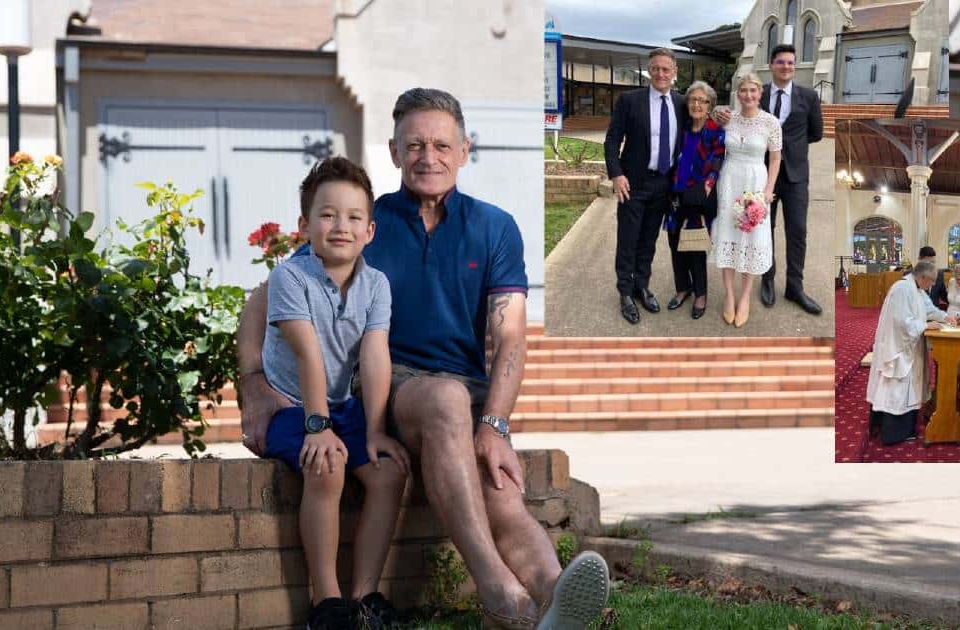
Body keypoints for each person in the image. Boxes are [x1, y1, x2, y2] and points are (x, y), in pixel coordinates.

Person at [238, 88, 610, 630]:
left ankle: (556, 602)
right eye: (414, 144)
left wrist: (495, 425)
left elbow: (510, 337)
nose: (427, 156)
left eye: (441, 144)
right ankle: (499, 593)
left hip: (467, 394)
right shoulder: (366, 223)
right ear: (393, 151)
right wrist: (255, 388)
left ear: (465, 150)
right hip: (392, 386)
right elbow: (267, 295)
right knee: (444, 398)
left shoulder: (494, 226)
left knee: (501, 495)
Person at [259, 157, 410, 629]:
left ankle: (365, 595)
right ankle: (326, 602)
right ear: (305, 225)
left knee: (386, 473)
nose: (340, 226)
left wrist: (376, 430)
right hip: (292, 407)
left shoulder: (376, 284)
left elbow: (375, 355)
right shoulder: (290, 277)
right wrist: (318, 426)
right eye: (327, 215)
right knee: (327, 464)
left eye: (353, 217)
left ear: (369, 230)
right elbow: (307, 356)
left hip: (343, 406)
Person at [604, 48, 688, 324]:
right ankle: (624, 292)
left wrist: (723, 116)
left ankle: (641, 285)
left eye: (666, 69)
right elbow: (612, 140)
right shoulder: (630, 100)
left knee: (649, 241)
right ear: (648, 71)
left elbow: (702, 118)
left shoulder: (681, 102)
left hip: (664, 184)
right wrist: (616, 174)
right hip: (633, 183)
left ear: (674, 72)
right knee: (628, 240)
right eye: (655, 68)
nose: (660, 74)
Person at [710, 73, 781, 327]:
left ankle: (746, 297)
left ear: (760, 93)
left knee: (752, 236)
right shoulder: (728, 118)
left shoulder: (771, 123)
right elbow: (707, 126)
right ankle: (729, 296)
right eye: (743, 90)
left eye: (753, 90)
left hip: (756, 183)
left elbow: (774, 159)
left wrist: (768, 190)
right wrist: (716, 110)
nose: (748, 95)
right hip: (729, 182)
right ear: (737, 93)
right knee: (728, 234)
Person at [758, 44, 823, 315]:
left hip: (796, 176)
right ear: (771, 64)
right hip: (763, 174)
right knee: (765, 229)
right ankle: (767, 278)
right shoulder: (757, 93)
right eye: (781, 62)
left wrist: (789, 149)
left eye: (791, 63)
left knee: (797, 231)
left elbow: (816, 133)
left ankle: (795, 286)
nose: (786, 67)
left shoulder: (808, 96)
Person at [866, 261, 948, 445]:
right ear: (923, 277)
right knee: (897, 388)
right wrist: (926, 325)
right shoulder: (902, 289)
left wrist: (946, 317)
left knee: (907, 388)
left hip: (909, 347)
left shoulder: (916, 289)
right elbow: (902, 323)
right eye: (932, 281)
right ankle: (894, 433)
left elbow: (929, 309)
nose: (933, 285)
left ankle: (904, 429)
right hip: (899, 349)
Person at [665, 80, 725, 320]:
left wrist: (703, 192)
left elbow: (715, 165)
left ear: (710, 105)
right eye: (693, 99)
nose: (697, 104)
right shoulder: (681, 128)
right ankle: (683, 288)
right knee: (674, 242)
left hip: (699, 198)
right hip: (674, 196)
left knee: (696, 246)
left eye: (702, 100)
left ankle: (701, 294)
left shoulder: (715, 131)